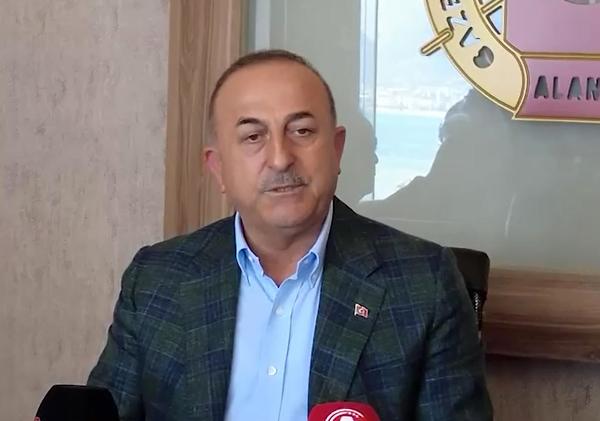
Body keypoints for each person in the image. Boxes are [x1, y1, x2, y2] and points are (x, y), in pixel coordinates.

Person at [88, 49, 492, 421]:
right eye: (253, 136)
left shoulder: (424, 284)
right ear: (218, 168)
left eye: (301, 131)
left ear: (336, 150)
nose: (281, 158)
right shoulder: (157, 280)